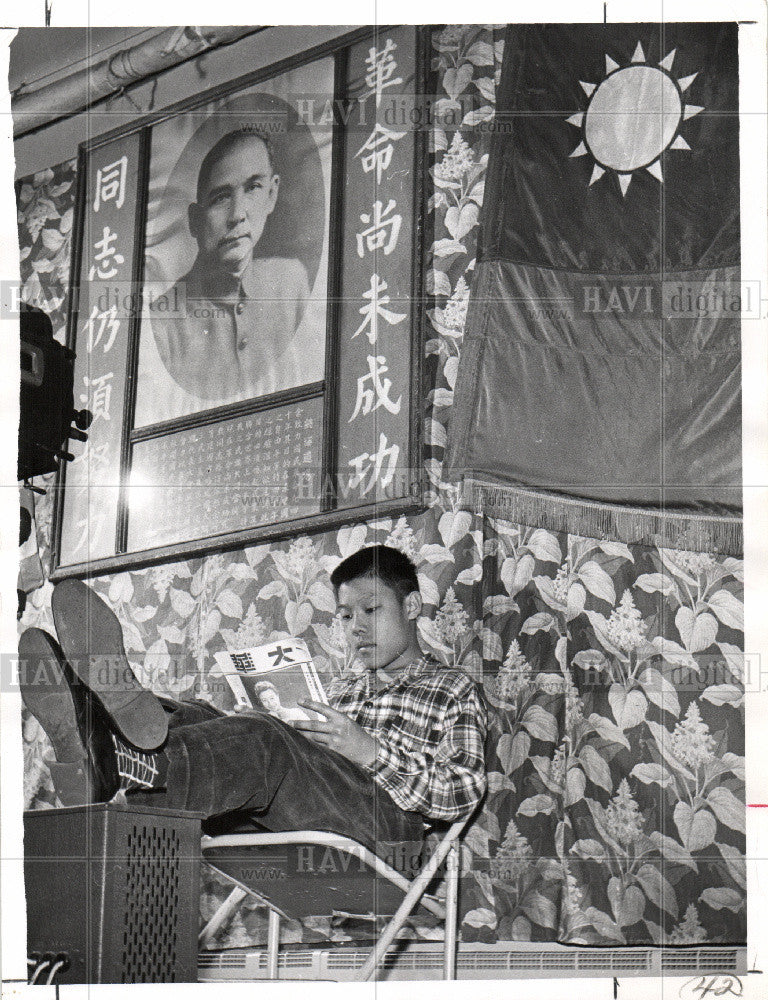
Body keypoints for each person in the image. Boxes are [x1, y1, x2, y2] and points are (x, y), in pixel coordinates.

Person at [19, 546, 487, 853]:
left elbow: (463, 791)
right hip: (298, 815)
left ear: (410, 607)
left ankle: (116, 758)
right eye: (344, 616)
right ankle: (108, 730)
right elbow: (309, 770)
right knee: (196, 714)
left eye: (369, 610)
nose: (355, 628)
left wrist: (368, 750)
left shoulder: (453, 689)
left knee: (264, 740)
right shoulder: (344, 688)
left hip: (389, 835)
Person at [151, 128, 311, 401]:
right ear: (195, 220)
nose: (237, 215)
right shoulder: (162, 322)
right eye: (221, 198)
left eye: (253, 188)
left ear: (272, 194)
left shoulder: (291, 280)